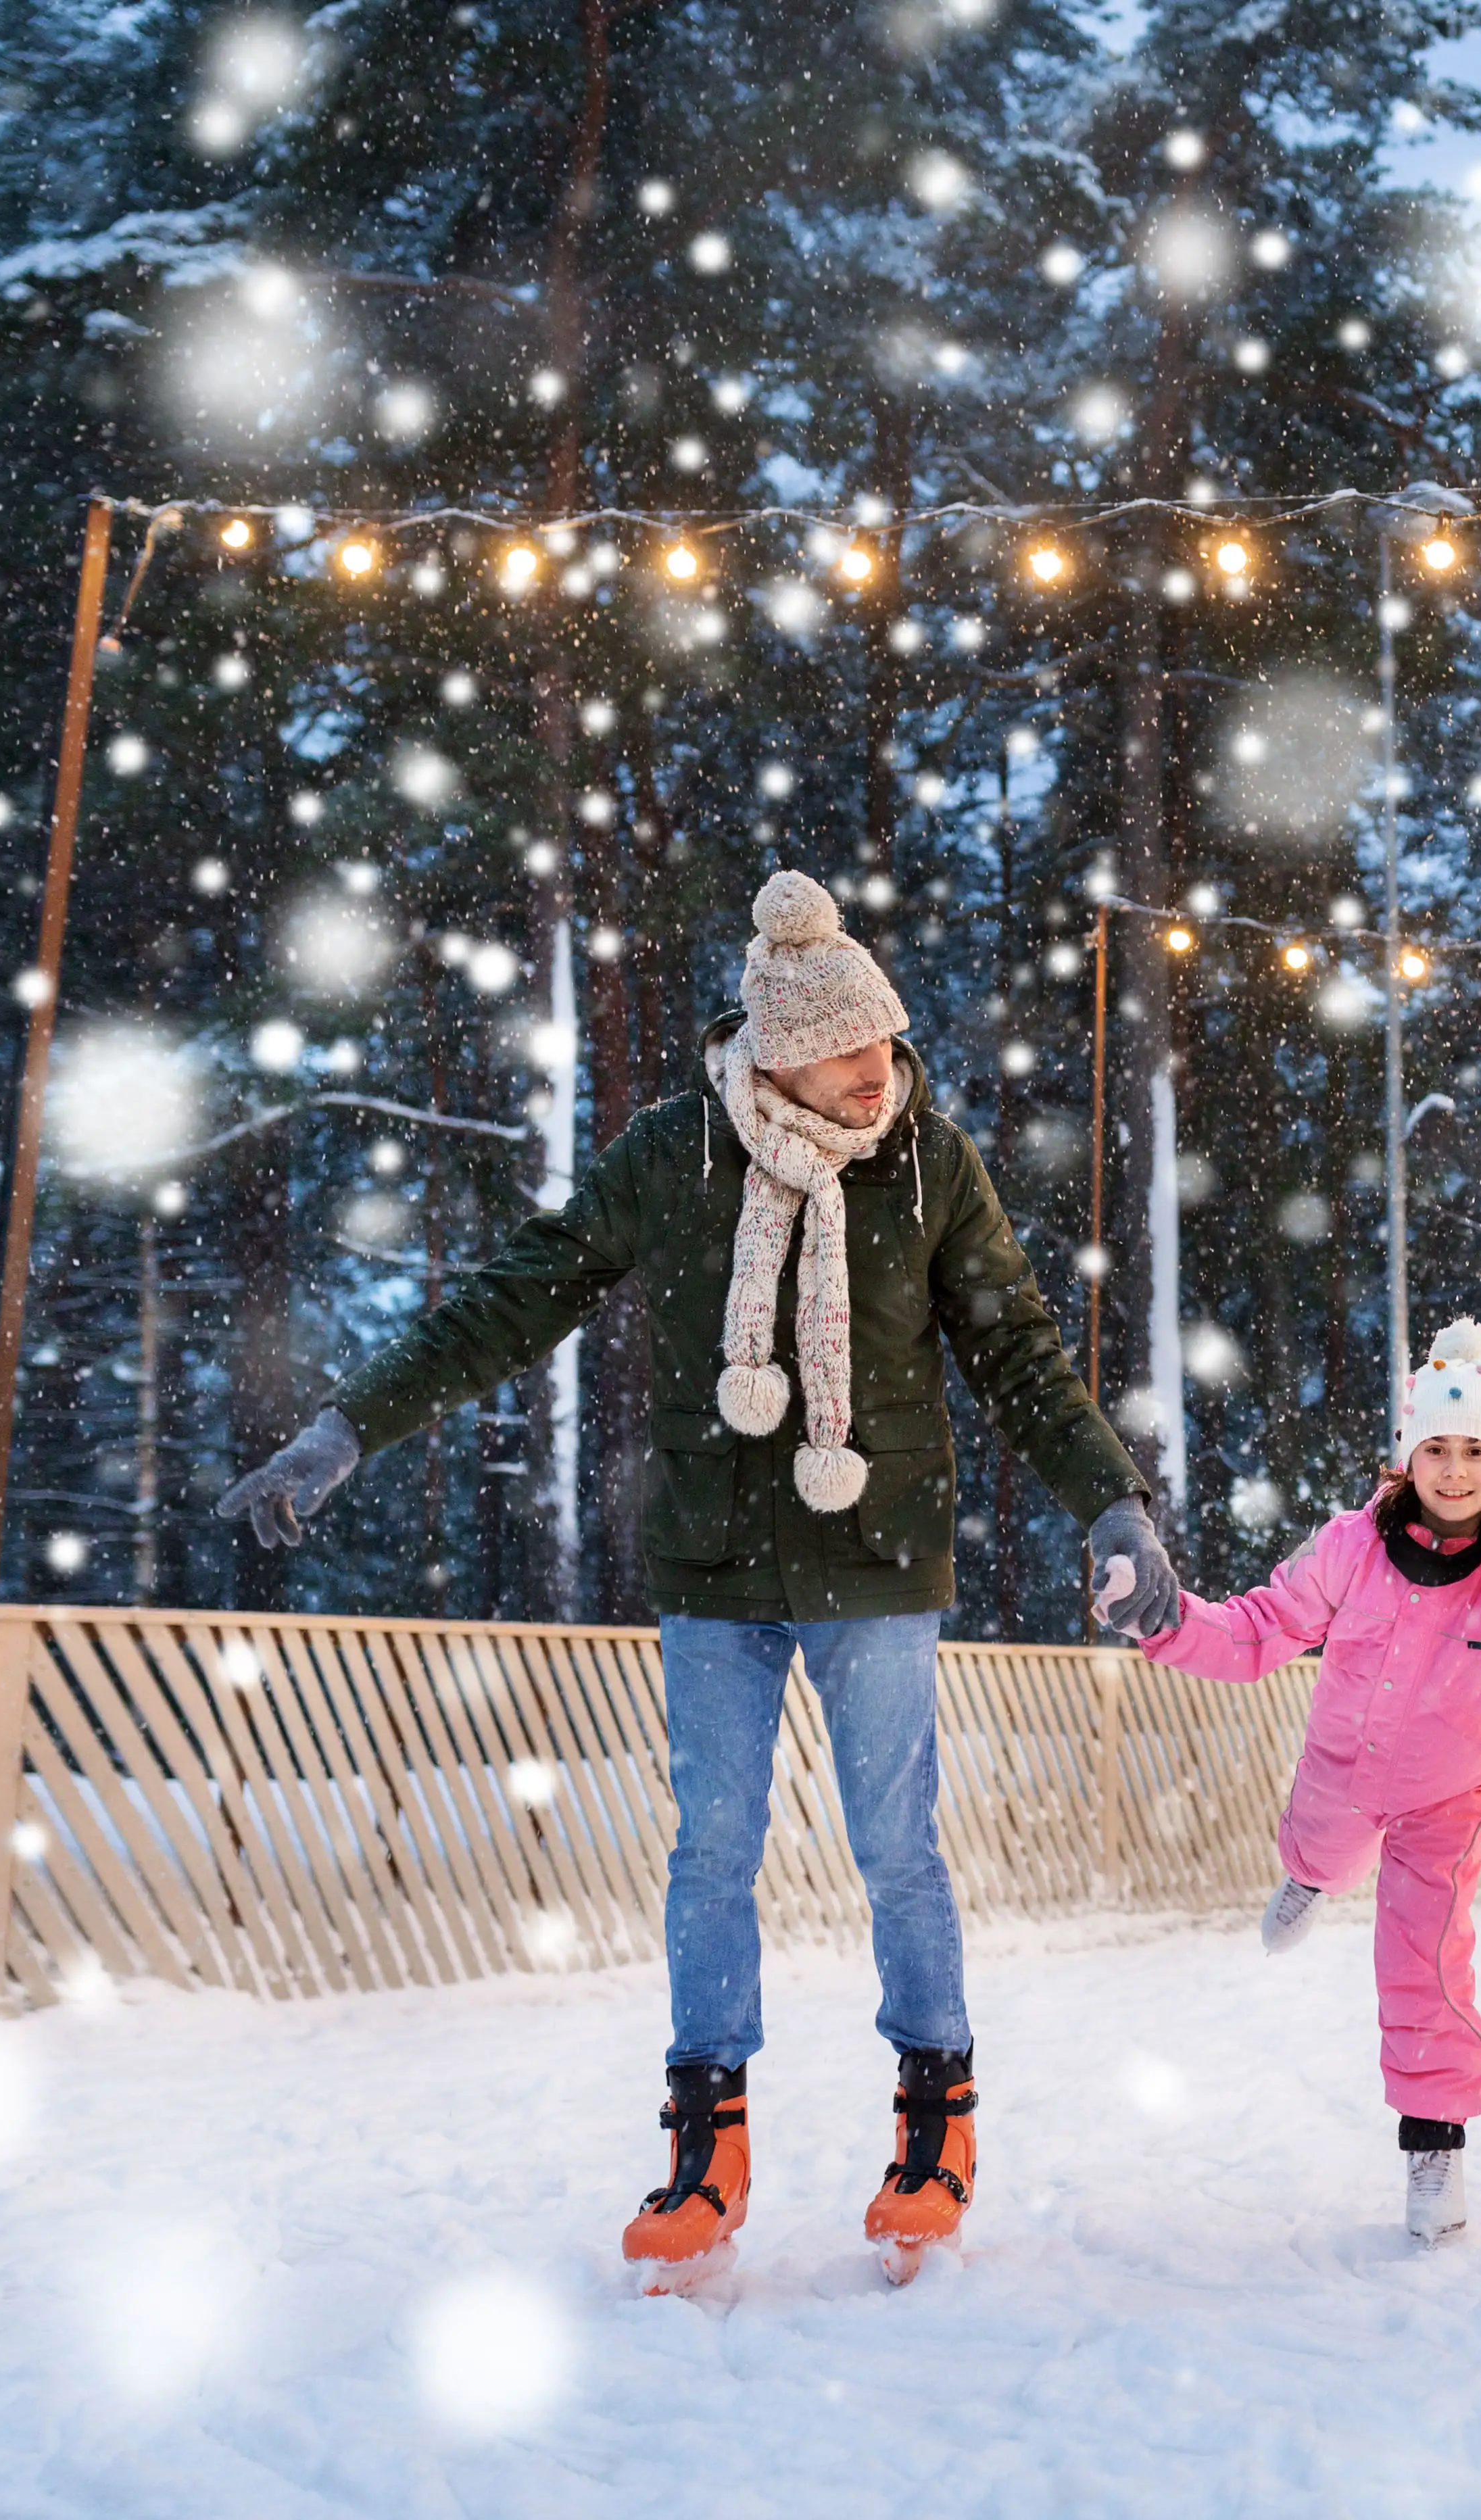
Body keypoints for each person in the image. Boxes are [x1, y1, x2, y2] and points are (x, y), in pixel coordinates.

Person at [216, 871, 1183, 2294]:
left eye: (885, 1050)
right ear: (774, 1049)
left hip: (875, 1556)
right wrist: (347, 1422)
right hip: (715, 1561)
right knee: (709, 1851)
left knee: (896, 1848)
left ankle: (933, 2122)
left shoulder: (929, 1163)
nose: (879, 1077)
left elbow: (1021, 1356)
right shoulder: (675, 1156)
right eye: (850, 1059)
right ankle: (703, 2144)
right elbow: (515, 1291)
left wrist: (1113, 1502)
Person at [1119, 1321, 1481, 2246]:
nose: (1454, 1470)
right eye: (1436, 1449)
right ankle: (1309, 1872)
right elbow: (1256, 1631)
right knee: (1321, 1846)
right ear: (1407, 1457)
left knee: (1423, 1960)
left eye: (1475, 1450)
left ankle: (1434, 2140)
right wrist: (1165, 1619)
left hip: (1450, 1800)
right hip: (1343, 1770)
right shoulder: (1347, 1546)